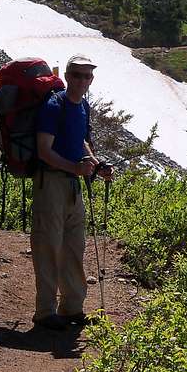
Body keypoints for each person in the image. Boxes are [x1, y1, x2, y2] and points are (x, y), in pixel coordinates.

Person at [31, 54, 112, 330]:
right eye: (76, 75)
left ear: (91, 79)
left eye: (86, 76)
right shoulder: (54, 106)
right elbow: (44, 150)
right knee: (48, 246)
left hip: (72, 185)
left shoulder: (83, 107)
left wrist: (95, 164)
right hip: (51, 182)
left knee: (74, 246)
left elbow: (82, 143)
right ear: (67, 76)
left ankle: (72, 307)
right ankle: (44, 312)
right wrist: (75, 168)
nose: (81, 81)